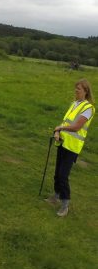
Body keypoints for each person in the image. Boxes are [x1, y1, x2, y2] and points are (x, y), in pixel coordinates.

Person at [47, 79, 94, 217]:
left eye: (79, 89)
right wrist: (57, 132)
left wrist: (60, 128)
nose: (76, 91)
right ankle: (55, 196)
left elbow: (76, 127)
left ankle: (65, 204)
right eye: (75, 88)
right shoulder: (74, 104)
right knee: (57, 173)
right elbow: (65, 121)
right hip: (63, 142)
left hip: (73, 147)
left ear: (85, 91)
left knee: (63, 175)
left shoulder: (88, 108)